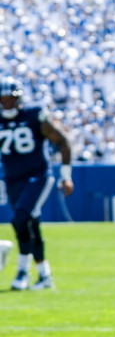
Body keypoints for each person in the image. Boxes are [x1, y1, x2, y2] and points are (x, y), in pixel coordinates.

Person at [1, 75, 74, 290]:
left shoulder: (34, 115)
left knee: (20, 219)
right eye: (2, 99)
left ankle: (22, 271)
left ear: (18, 98)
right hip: (12, 179)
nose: (6, 103)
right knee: (30, 224)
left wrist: (66, 175)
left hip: (37, 176)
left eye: (9, 98)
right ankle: (44, 276)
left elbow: (63, 142)